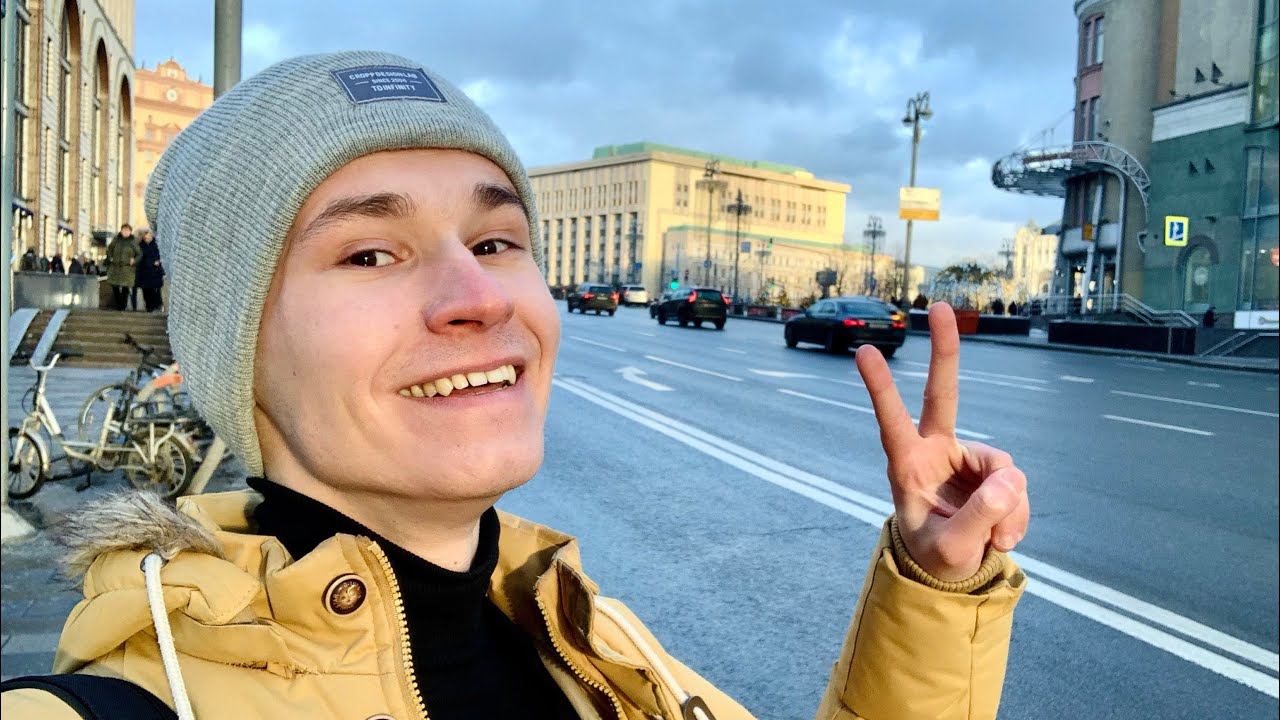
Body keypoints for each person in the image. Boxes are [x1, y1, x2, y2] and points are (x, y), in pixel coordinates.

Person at [1, 52, 1028, 720]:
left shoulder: (597, 650)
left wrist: (934, 586)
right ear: (236, 344)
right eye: (369, 253)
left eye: (495, 241)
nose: (477, 296)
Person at [104, 223, 139, 310]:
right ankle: (118, 304)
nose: (125, 232)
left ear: (130, 231)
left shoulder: (133, 241)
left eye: (127, 230)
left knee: (125, 288)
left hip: (127, 268)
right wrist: (110, 257)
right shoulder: (116, 240)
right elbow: (109, 249)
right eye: (124, 230)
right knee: (114, 286)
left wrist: (134, 260)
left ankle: (122, 306)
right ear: (121, 231)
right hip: (115, 268)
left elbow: (139, 254)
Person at [134, 228, 165, 312]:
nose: (146, 237)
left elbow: (161, 257)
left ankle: (157, 306)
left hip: (155, 273)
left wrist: (158, 262)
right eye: (145, 236)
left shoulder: (157, 245)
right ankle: (149, 307)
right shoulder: (141, 246)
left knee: (156, 291)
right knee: (146, 291)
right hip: (144, 273)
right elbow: (140, 259)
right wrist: (151, 262)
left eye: (148, 235)